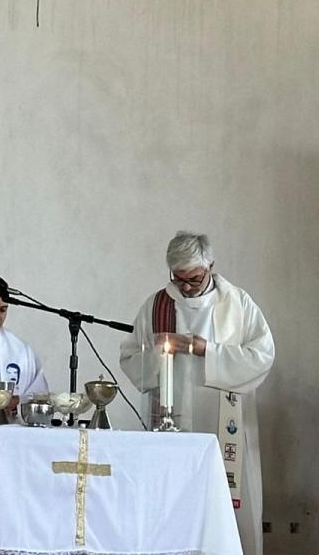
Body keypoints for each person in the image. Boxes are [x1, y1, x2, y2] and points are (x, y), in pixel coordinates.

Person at [120, 231, 274, 555]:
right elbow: (131, 358)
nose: (186, 287)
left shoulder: (238, 303)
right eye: (179, 279)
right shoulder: (156, 304)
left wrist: (205, 349)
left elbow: (262, 357)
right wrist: (158, 353)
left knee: (224, 508)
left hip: (223, 424)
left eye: (193, 278)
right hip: (171, 420)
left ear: (211, 266)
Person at [0, 277, 49, 423]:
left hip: (13, 433)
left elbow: (40, 395)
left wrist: (16, 401)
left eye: (3, 309)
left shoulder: (21, 350)